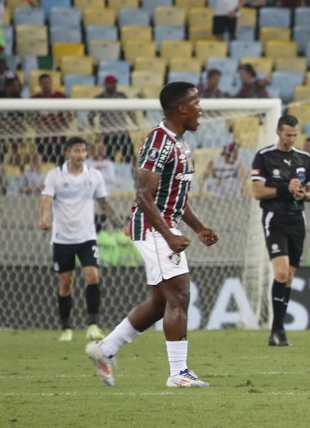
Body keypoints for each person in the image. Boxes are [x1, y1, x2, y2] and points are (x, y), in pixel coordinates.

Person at [85, 82, 219, 388]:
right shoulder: (158, 141)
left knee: (161, 302)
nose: (201, 109)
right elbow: (143, 195)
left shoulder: (180, 142)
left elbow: (174, 197)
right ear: (182, 108)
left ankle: (105, 350)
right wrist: (169, 236)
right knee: (180, 295)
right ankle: (178, 373)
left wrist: (198, 228)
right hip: (151, 227)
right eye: (197, 103)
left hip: (164, 225)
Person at [39, 136, 125, 341]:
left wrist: (121, 225)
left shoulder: (94, 176)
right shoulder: (55, 176)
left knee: (93, 275)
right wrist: (43, 218)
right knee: (66, 284)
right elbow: (46, 199)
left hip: (87, 237)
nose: (80, 155)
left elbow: (104, 203)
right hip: (62, 239)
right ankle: (66, 328)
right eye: (76, 151)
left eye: (83, 151)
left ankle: (93, 325)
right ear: (67, 153)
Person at [251, 115, 310, 346]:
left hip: (297, 220)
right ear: (279, 132)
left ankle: (277, 331)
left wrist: (302, 195)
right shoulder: (264, 156)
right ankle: (277, 328)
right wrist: (284, 189)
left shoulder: (304, 158)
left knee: (289, 277)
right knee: (280, 272)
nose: (291, 139)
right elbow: (258, 192)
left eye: (295, 135)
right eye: (288, 134)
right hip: (275, 219)